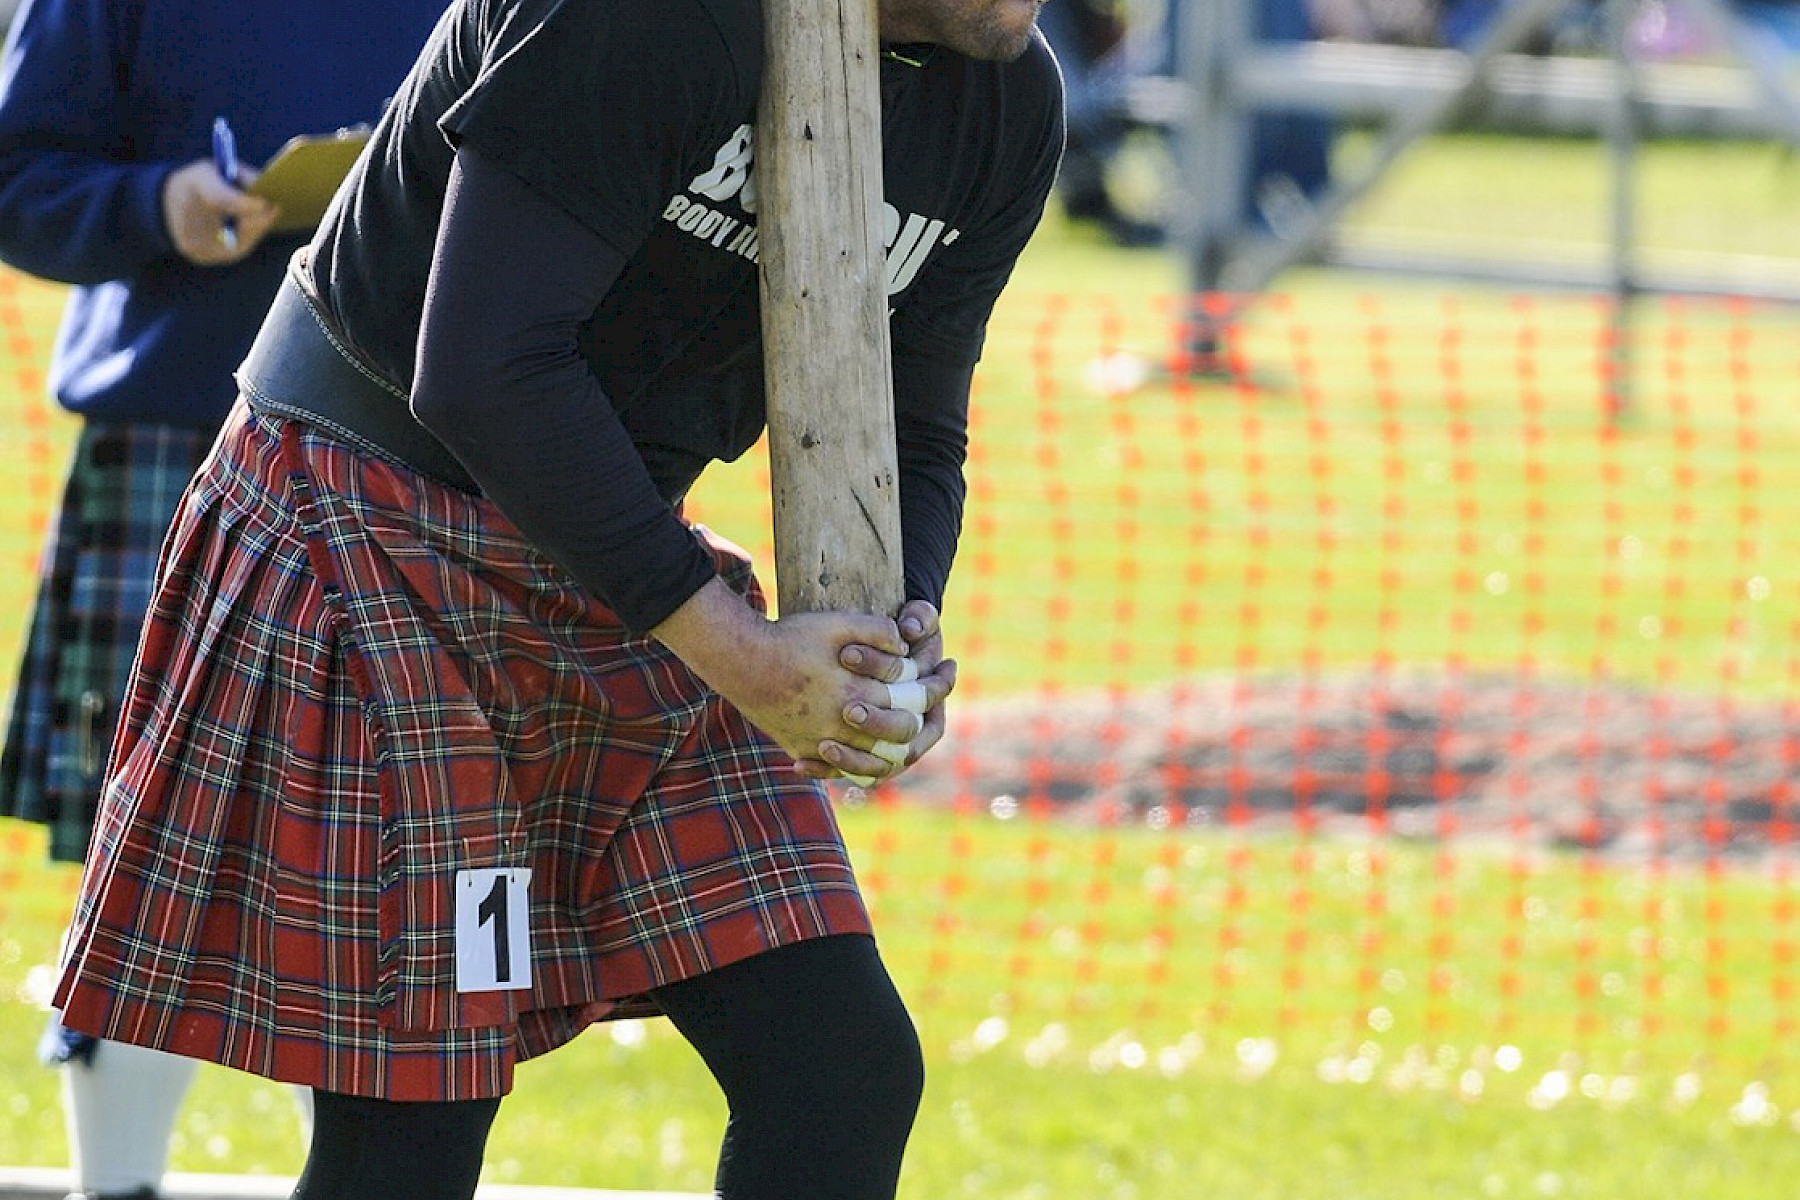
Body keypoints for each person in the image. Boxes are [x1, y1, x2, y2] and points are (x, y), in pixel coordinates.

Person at [48, 0, 1065, 1196]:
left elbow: (917, 420)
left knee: (839, 1066)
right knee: (419, 1115)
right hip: (370, 516)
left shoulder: (1006, 101)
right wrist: (738, 652)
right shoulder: (650, 14)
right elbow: (480, 365)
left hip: (608, 551)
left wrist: (897, 632)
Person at [0, 2, 449, 1198]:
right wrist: (156, 205)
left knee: (369, 869)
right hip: (169, 435)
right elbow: (18, 178)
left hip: (401, 450)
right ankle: (119, 1189)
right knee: (142, 859)